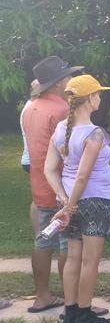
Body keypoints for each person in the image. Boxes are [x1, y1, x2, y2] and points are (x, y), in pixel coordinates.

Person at [44, 75, 110, 323]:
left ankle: (71, 312)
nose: (100, 98)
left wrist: (64, 200)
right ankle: (85, 315)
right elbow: (84, 175)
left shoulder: (62, 130)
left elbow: (49, 169)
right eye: (97, 94)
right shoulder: (94, 134)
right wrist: (70, 204)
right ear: (89, 99)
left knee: (73, 257)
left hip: (70, 202)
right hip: (94, 201)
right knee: (89, 261)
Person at [22, 56, 82, 313]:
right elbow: (71, 151)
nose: (70, 80)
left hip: (39, 186)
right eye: (67, 76)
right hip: (62, 188)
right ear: (58, 83)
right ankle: (73, 302)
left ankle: (42, 296)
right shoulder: (62, 110)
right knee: (69, 243)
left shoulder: (30, 108)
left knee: (42, 240)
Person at [20, 80, 42, 245]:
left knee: (41, 197)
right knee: (39, 198)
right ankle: (39, 234)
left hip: (33, 159)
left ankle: (42, 233)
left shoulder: (34, 106)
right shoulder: (32, 108)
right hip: (34, 159)